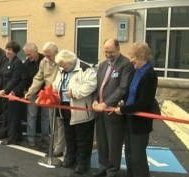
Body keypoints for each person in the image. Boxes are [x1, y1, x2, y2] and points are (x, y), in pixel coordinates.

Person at [114, 42, 159, 177]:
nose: (131, 60)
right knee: (128, 152)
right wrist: (123, 102)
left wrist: (123, 110)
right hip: (129, 118)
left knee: (137, 156)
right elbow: (131, 92)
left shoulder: (150, 75)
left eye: (132, 57)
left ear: (142, 56)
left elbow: (144, 102)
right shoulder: (136, 71)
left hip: (140, 121)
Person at [92, 38, 134, 177]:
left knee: (114, 144)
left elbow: (122, 89)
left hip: (113, 112)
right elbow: (97, 86)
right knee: (102, 143)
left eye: (110, 52)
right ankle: (103, 168)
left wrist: (106, 103)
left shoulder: (126, 64)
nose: (108, 54)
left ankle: (112, 171)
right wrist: (95, 101)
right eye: (105, 52)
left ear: (118, 49)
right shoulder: (102, 65)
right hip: (100, 111)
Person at [52, 50, 97, 176]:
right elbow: (56, 83)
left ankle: (82, 164)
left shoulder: (86, 69)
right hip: (64, 107)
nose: (61, 68)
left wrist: (74, 93)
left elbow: (91, 85)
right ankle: (70, 158)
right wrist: (54, 91)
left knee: (83, 139)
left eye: (62, 65)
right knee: (69, 136)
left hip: (80, 109)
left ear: (70, 63)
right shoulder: (63, 69)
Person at [25, 42, 65, 157]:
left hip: (60, 96)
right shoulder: (44, 62)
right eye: (45, 55)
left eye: (49, 55)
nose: (46, 57)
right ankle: (55, 146)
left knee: (59, 123)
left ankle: (59, 148)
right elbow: (39, 78)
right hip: (50, 96)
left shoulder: (62, 62)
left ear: (56, 53)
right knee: (53, 123)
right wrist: (31, 91)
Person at [0, 41, 24, 145]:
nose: (8, 51)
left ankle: (12, 138)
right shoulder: (5, 60)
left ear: (15, 52)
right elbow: (1, 75)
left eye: (10, 50)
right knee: (6, 114)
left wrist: (5, 90)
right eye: (7, 49)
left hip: (13, 93)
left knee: (13, 117)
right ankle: (4, 133)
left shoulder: (17, 63)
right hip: (4, 92)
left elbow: (15, 79)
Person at [21, 43, 48, 147]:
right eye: (26, 55)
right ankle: (30, 137)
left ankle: (45, 136)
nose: (28, 57)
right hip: (32, 93)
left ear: (36, 51)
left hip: (46, 93)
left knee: (46, 116)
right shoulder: (26, 64)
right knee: (32, 115)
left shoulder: (45, 60)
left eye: (29, 54)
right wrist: (26, 91)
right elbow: (24, 79)